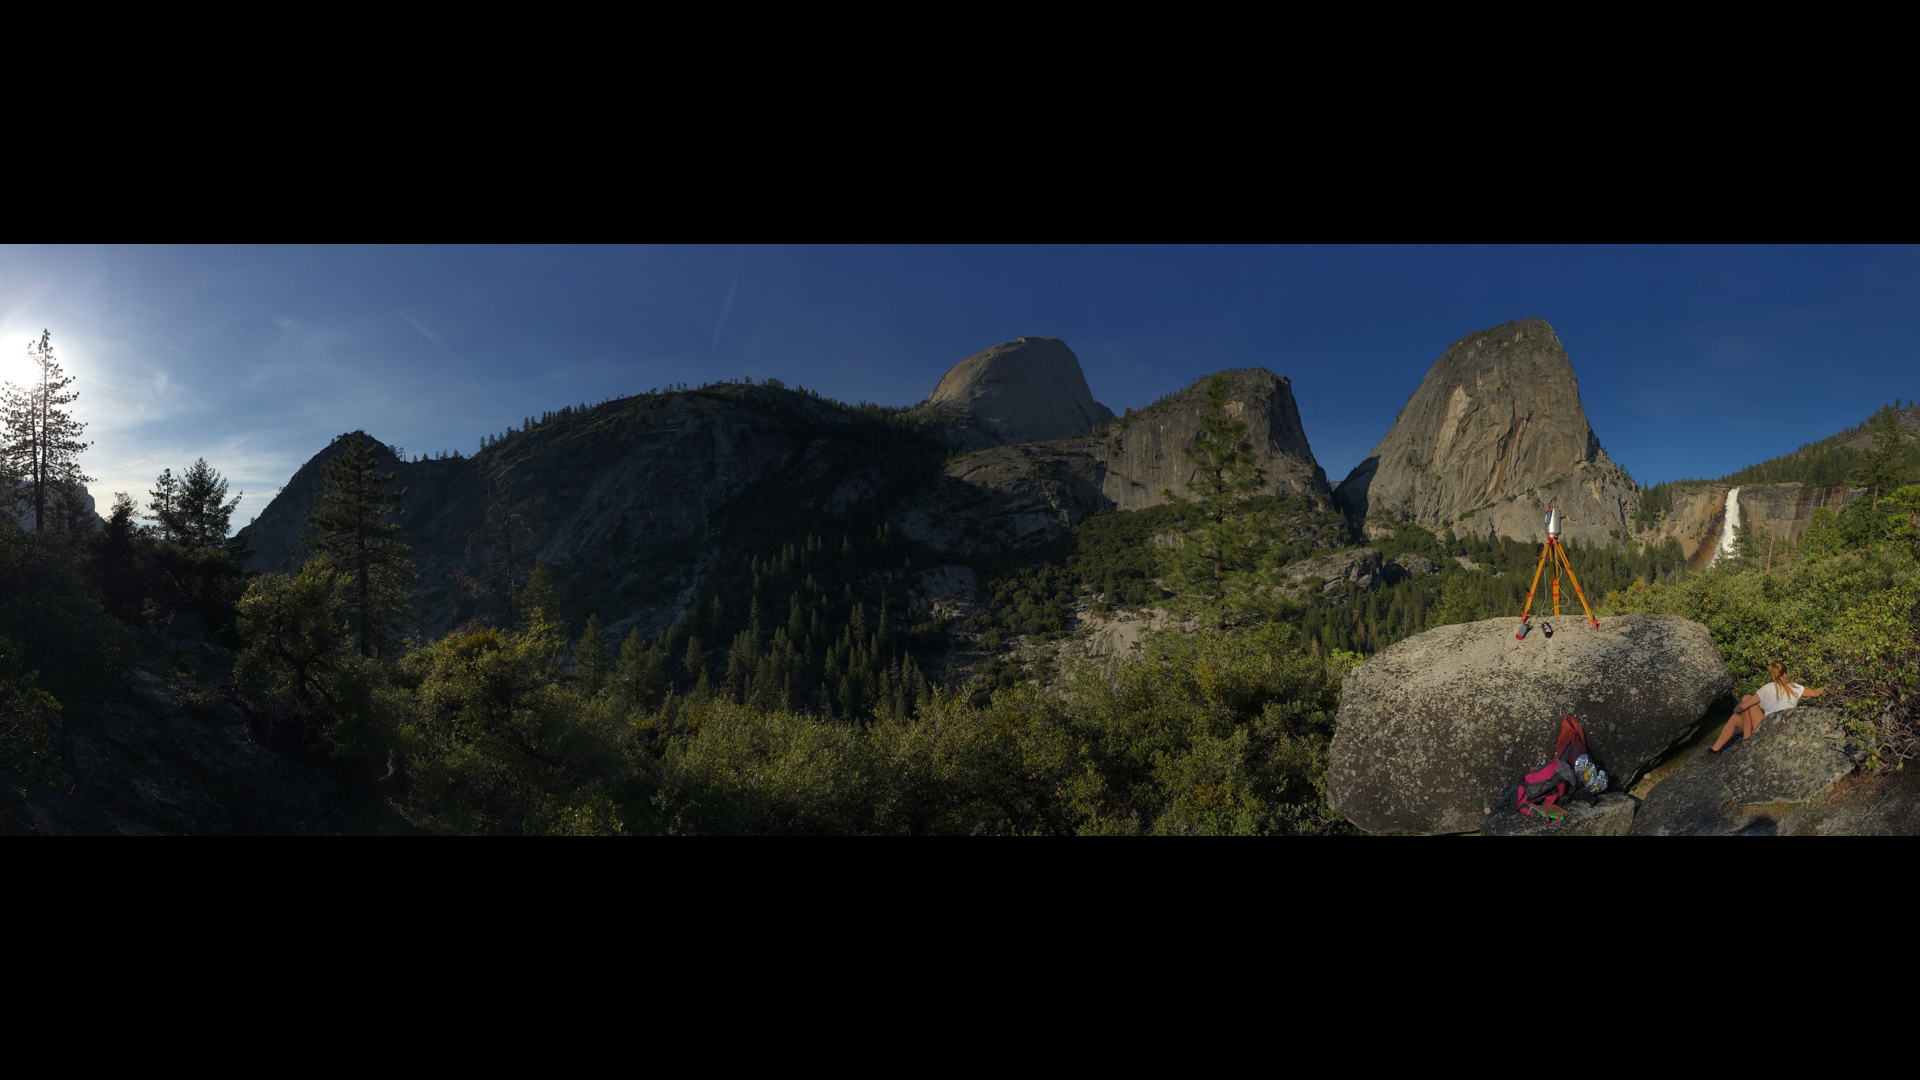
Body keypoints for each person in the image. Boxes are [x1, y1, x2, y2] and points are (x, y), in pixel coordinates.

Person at [1709, 661, 1826, 752]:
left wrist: (1735, 710)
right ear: (1785, 674)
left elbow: (1743, 707)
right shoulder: (1794, 687)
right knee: (1739, 714)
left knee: (1745, 700)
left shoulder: (1766, 688)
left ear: (1771, 675)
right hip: (1784, 729)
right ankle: (1721, 749)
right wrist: (1826, 688)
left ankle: (1742, 742)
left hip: (1767, 731)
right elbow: (1815, 693)